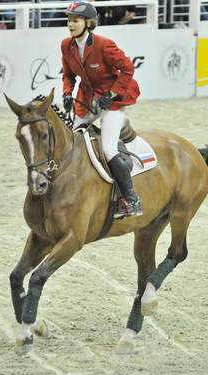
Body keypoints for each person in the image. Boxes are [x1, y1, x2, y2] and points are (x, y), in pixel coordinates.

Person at [61, 0, 142, 219]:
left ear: (88, 23)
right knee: (71, 140)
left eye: (75, 20)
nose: (70, 25)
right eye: (69, 20)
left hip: (112, 102)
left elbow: (128, 68)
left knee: (108, 150)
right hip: (87, 100)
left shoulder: (104, 45)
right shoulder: (66, 45)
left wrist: (113, 94)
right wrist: (67, 93)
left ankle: (132, 200)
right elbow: (68, 74)